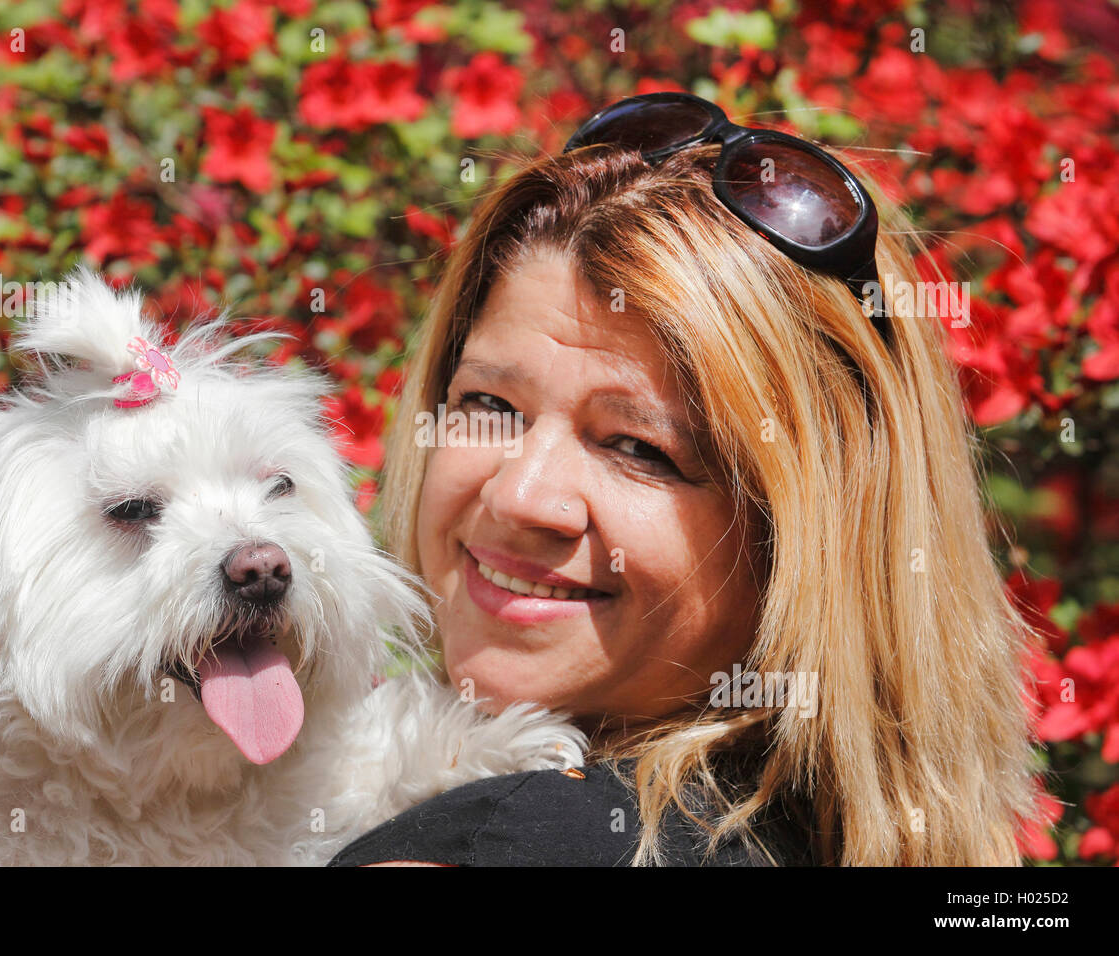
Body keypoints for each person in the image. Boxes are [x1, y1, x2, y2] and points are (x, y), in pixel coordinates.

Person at [330, 93, 1037, 866]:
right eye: (490, 405)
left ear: (801, 539)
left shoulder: (497, 843)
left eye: (638, 448)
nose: (517, 495)